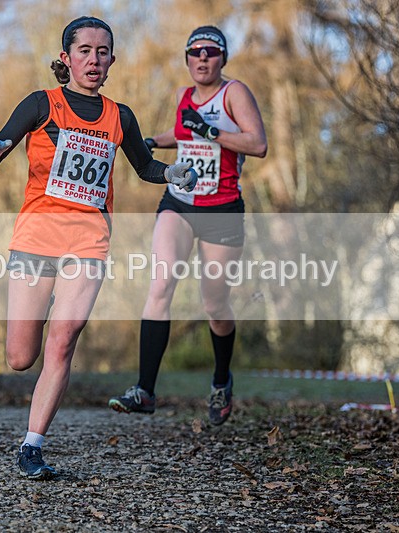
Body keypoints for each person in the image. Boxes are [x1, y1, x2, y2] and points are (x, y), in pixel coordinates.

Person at [0, 16, 198, 480]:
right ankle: (30, 414)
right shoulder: (41, 104)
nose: (93, 59)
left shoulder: (121, 116)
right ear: (66, 57)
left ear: (112, 59)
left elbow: (145, 165)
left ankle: (32, 445)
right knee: (20, 357)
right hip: (37, 237)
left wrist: (171, 172)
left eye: (102, 51)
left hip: (89, 240)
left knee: (65, 338)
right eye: (84, 50)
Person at [108, 25, 267, 425]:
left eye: (211, 51)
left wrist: (212, 131)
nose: (202, 57)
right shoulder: (183, 96)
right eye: (194, 51)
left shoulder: (235, 93)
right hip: (179, 202)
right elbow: (182, 134)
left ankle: (220, 380)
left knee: (214, 303)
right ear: (187, 58)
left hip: (222, 209)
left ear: (222, 58)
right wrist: (151, 142)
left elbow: (258, 144)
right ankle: (145, 390)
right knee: (161, 283)